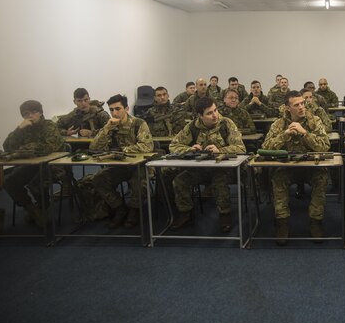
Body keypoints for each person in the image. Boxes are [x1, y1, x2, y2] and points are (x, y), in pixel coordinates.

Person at [262, 90, 331, 245]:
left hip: (311, 167)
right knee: (278, 178)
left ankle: (316, 221)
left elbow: (325, 146)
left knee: (322, 178)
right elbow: (265, 146)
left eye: (302, 103)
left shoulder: (315, 121)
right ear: (288, 108)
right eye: (296, 105)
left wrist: (304, 133)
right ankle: (282, 222)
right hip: (287, 168)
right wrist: (285, 134)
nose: (301, 107)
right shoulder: (279, 124)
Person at [169, 97, 245, 232]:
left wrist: (220, 150)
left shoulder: (226, 124)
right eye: (209, 113)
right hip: (201, 169)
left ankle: (225, 213)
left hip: (224, 169)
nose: (215, 115)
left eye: (215, 110)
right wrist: (189, 149)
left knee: (219, 180)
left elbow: (240, 148)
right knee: (179, 181)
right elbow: (173, 145)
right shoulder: (192, 127)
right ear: (200, 115)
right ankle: (186, 213)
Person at [90, 95, 154, 229]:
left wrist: (122, 150)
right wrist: (106, 129)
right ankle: (119, 207)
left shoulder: (138, 123)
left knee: (138, 182)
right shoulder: (110, 126)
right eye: (111, 109)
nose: (114, 113)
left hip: (139, 165)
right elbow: (94, 148)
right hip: (119, 166)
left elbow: (147, 146)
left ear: (126, 108)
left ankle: (134, 210)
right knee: (99, 179)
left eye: (118, 109)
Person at [2, 100, 65, 226]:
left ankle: (43, 207)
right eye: (26, 114)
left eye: (34, 112)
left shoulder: (49, 126)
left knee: (36, 182)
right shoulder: (24, 128)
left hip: (53, 165)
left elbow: (48, 147)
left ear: (40, 113)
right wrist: (18, 129)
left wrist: (23, 149)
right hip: (31, 166)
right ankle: (33, 211)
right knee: (9, 181)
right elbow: (7, 147)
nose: (30, 116)